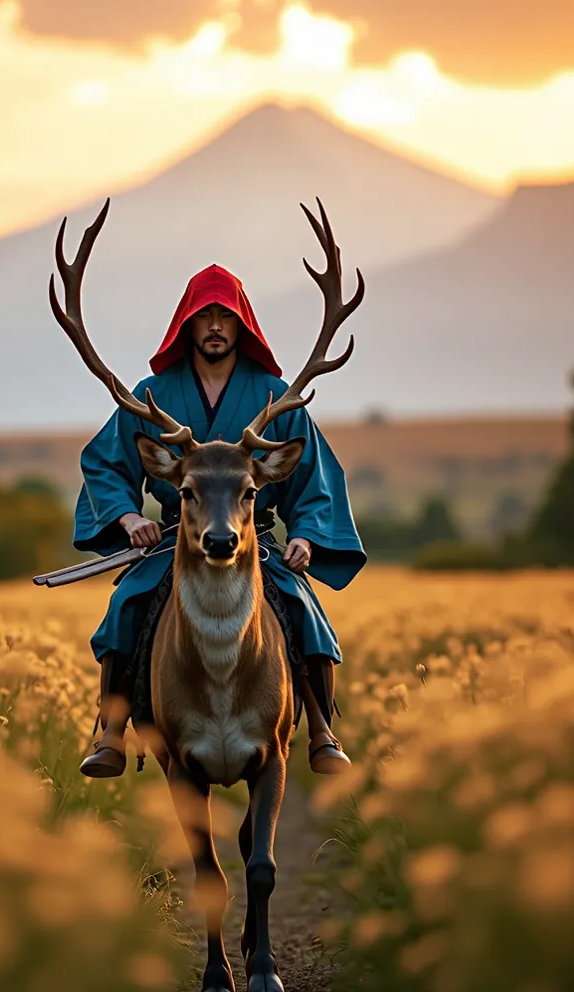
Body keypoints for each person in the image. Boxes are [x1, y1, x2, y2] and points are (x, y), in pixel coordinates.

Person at [74, 264, 367, 778]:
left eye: (224, 316)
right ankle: (111, 733)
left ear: (242, 325)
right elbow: (106, 462)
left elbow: (312, 475)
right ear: (186, 323)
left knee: (303, 609)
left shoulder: (279, 397)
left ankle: (321, 729)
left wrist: (304, 535)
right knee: (126, 604)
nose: (214, 325)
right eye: (203, 314)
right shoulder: (149, 395)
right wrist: (125, 516)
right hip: (176, 538)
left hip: (250, 538)